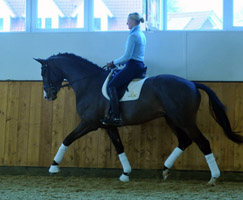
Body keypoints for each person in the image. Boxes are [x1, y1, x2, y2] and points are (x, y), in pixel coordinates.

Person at [102, 12, 147, 126]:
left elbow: (127, 56)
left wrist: (113, 62)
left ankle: (115, 116)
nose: (127, 23)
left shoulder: (133, 35)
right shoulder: (141, 34)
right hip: (137, 65)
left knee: (111, 85)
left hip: (133, 66)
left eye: (128, 21)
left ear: (133, 21)